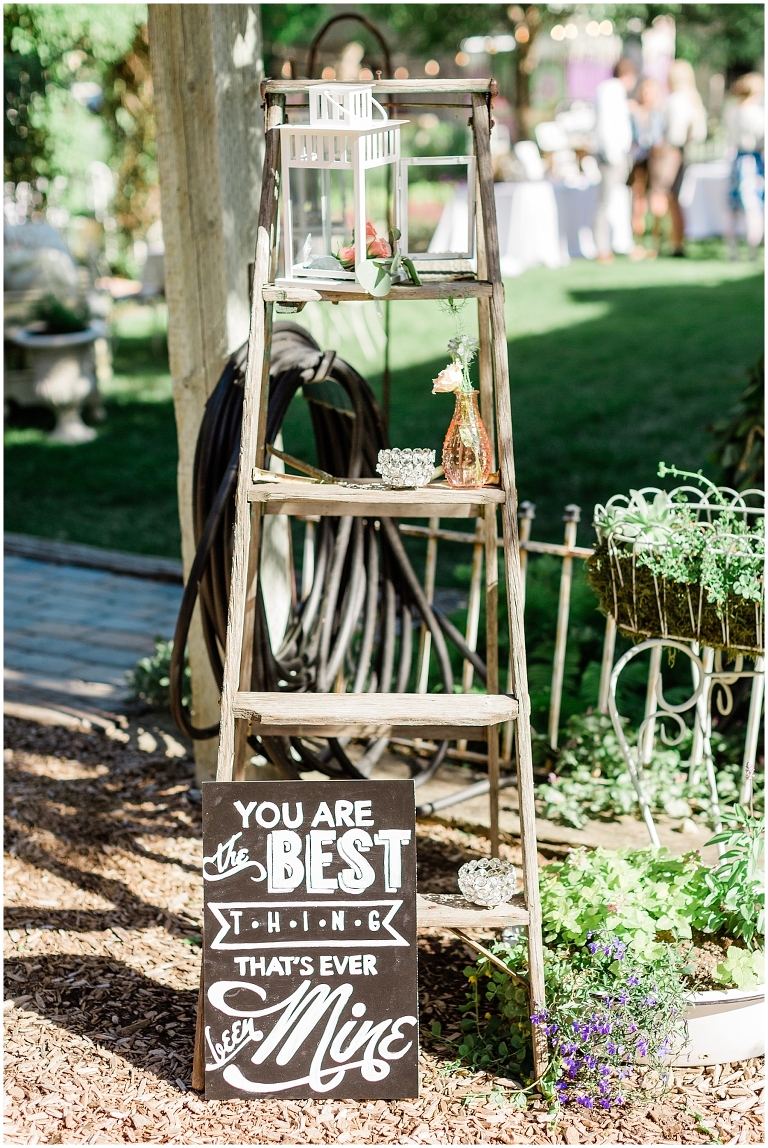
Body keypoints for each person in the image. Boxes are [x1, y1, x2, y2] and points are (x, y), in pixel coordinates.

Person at [653, 59, 707, 256]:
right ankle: (677, 242)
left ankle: (657, 242)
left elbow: (673, 134)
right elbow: (700, 133)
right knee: (675, 199)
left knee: (663, 195)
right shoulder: (693, 99)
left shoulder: (675, 100)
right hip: (684, 152)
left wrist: (663, 150)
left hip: (671, 152)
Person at [593, 58, 637, 261]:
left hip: (619, 154)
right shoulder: (610, 91)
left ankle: (621, 243)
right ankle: (603, 248)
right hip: (612, 155)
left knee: (619, 200)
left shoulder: (613, 91)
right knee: (606, 202)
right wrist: (613, 155)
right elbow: (606, 124)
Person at [725, 72, 764, 258]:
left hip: (737, 159)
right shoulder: (756, 114)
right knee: (752, 206)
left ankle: (733, 249)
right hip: (751, 160)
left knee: (733, 207)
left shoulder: (732, 111)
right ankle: (752, 248)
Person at [627, 77, 665, 253]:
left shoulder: (660, 113)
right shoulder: (634, 112)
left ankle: (656, 242)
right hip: (640, 160)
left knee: (657, 200)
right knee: (638, 201)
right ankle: (638, 242)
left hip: (655, 161)